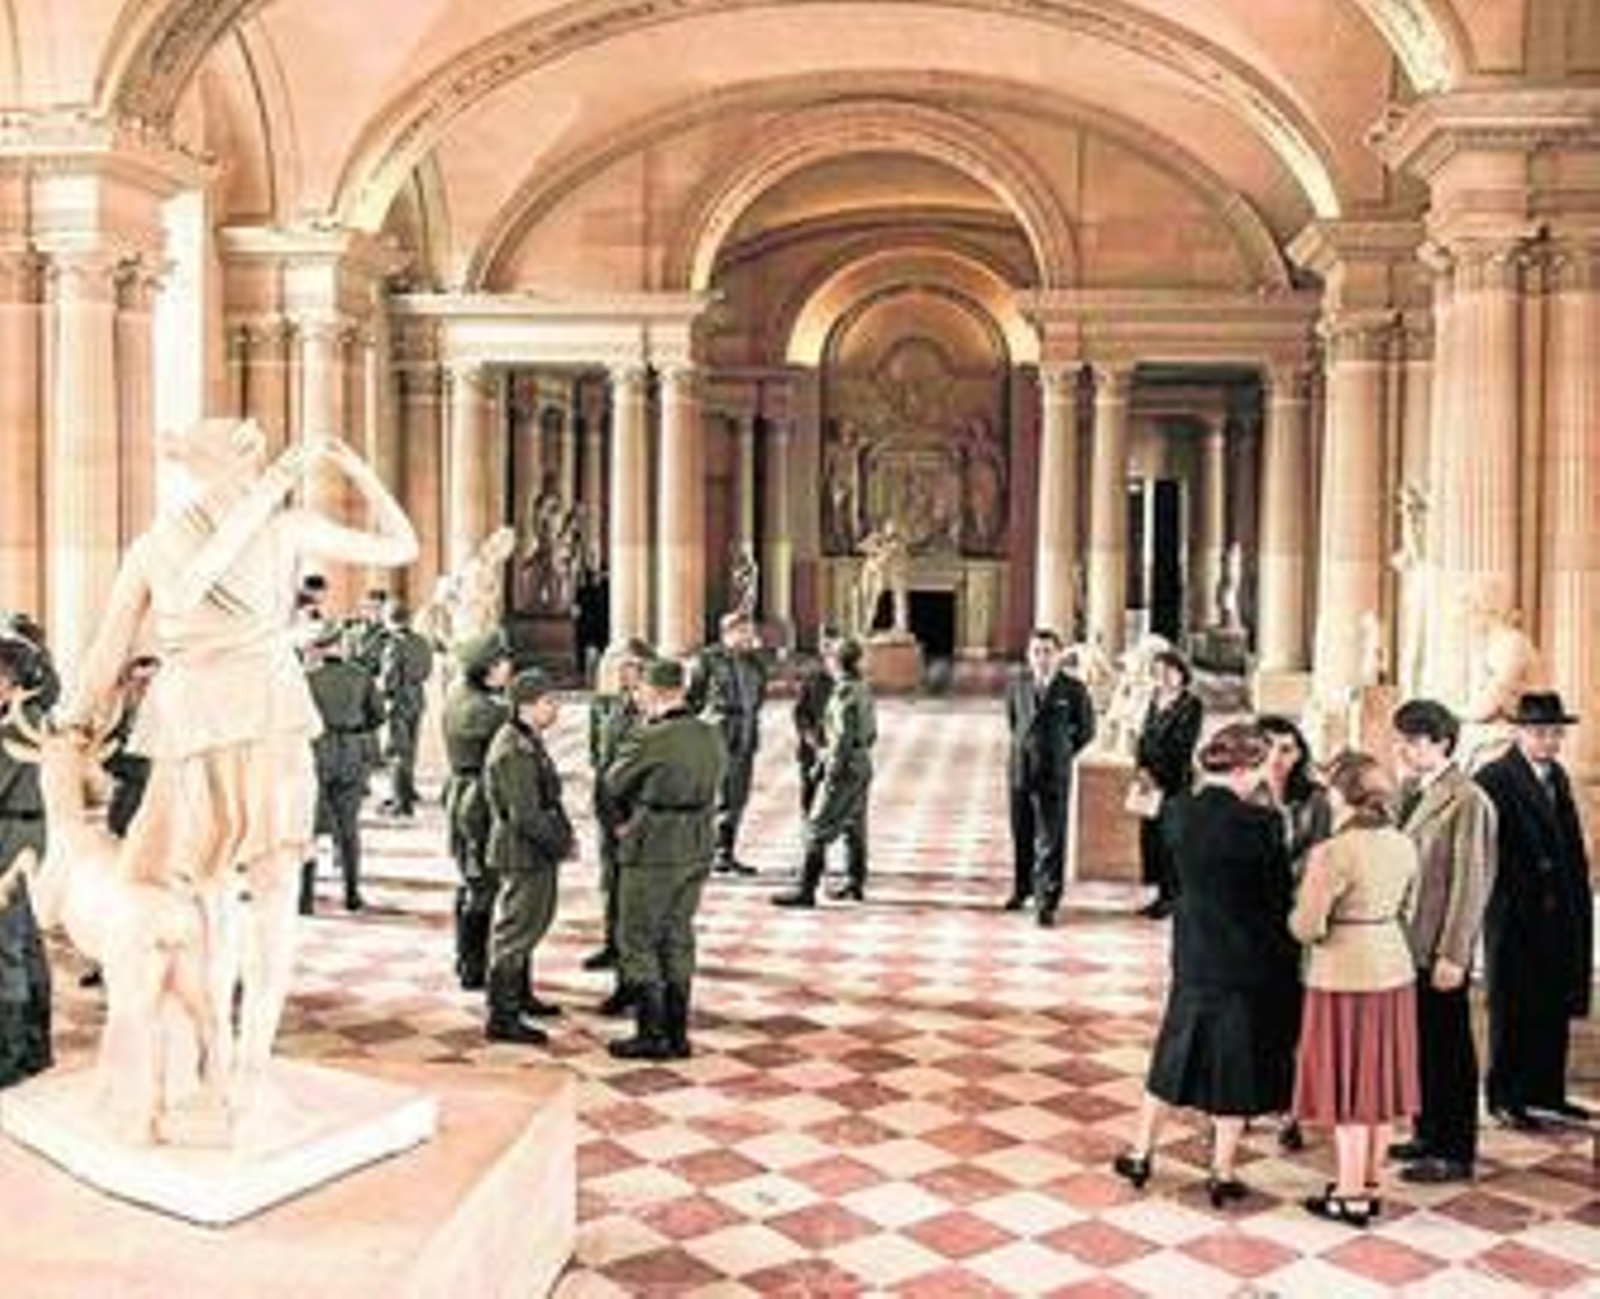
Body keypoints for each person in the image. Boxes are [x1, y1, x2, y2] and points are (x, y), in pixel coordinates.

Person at [68, 419, 417, 1097]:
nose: (258, 466)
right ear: (219, 465)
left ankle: (249, 1056)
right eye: (247, 455)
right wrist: (72, 723)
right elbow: (116, 640)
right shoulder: (167, 545)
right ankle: (221, 1053)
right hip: (209, 719)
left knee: (262, 894)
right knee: (214, 901)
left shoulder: (278, 529)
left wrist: (356, 470)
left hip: (258, 714)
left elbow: (403, 547)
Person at [1112, 724, 1297, 1207]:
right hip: (1248, 958)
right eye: (1263, 765)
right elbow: (1278, 897)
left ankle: (1140, 1152)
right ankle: (1221, 1171)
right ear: (1246, 767)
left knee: (1173, 1052)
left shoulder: (1177, 812)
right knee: (1235, 1062)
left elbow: (1172, 879)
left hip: (1194, 948)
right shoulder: (1262, 823)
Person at [1291, 753, 1421, 1227]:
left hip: (1343, 974)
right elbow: (1409, 908)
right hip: (1393, 967)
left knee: (1347, 1088)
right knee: (1378, 1086)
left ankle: (1348, 1196)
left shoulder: (1333, 851)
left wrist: (1299, 916)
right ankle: (1369, 1183)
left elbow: (1306, 926)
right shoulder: (1404, 843)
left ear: (1342, 795)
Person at [1386, 699, 1496, 1184]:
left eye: (1413, 741)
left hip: (1439, 949)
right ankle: (1426, 1133)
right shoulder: (1411, 790)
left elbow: (1472, 882)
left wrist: (1455, 953)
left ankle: (1454, 1150)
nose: (1403, 749)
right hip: (1407, 946)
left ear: (1443, 743)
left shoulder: (1468, 800)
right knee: (1422, 1047)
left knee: (1449, 1052)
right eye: (1401, 740)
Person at [1474, 692, 1594, 1130]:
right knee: (1513, 1005)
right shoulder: (1494, 777)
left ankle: (1547, 1092)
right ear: (1519, 732)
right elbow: (1484, 847)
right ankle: (1505, 1097)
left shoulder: (1556, 775)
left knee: (1552, 1001)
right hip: (1514, 910)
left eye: (1556, 733)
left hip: (1558, 909)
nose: (1549, 740)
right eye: (1540, 732)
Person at [601, 657, 727, 1060]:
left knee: (638, 936)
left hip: (655, 844)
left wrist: (623, 825)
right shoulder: (711, 733)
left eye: (641, 690)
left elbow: (613, 782)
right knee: (678, 934)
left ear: (654, 692)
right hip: (698, 841)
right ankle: (677, 1034)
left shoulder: (650, 737)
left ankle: (652, 1035)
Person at [483, 669, 575, 1045]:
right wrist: (560, 844)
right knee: (515, 931)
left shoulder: (527, 739)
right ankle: (502, 1016)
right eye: (548, 702)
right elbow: (525, 815)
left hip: (534, 848)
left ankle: (520, 996)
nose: (555, 709)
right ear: (525, 706)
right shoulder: (513, 748)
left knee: (531, 924)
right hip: (522, 850)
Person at [1257, 712, 1332, 1152]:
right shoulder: (1245, 794)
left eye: (1287, 749)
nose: (1277, 758)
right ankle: (1246, 1100)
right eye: (1268, 747)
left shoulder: (1316, 800)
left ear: (1300, 753)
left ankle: (1292, 1109)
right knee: (1252, 1015)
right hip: (1253, 919)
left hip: (1297, 917)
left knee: (1293, 1017)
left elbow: (1322, 855)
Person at [773, 636, 877, 908]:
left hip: (844, 768)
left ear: (836, 662)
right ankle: (855, 883)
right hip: (862, 764)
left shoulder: (843, 693)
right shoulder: (863, 688)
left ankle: (805, 890)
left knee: (816, 828)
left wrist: (828, 768)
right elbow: (872, 733)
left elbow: (840, 739)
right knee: (855, 824)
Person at [1005, 627, 1096, 926]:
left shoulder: (1073, 689)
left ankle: (1047, 901)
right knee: (1022, 832)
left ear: (1058, 656)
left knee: (1050, 838)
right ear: (1028, 655)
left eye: (1047, 652)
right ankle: (1022, 889)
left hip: (1053, 772)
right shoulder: (1017, 684)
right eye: (1036, 652)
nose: (1042, 658)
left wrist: (1062, 752)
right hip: (1020, 769)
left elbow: (1086, 730)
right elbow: (1014, 722)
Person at [442, 629, 514, 990]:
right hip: (479, 798)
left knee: (469, 877)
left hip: (459, 791)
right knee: (483, 884)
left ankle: (464, 959)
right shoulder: (491, 711)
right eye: (503, 662)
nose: (509, 667)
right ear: (487, 669)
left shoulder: (456, 695)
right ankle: (474, 967)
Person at [586, 637, 654, 1010]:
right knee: (610, 881)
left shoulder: (651, 711)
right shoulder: (606, 705)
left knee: (633, 892)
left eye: (632, 666)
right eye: (621, 665)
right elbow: (597, 753)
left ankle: (633, 970)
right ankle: (612, 945)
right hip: (608, 805)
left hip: (633, 810)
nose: (625, 672)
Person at [302, 623, 385, 914]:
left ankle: (305, 898)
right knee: (349, 827)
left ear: (319, 648)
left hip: (316, 752)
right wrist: (355, 727)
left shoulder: (306, 679)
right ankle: (351, 894)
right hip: (350, 752)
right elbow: (378, 716)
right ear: (341, 645)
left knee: (308, 829)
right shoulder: (360, 676)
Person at [0, 637, 51, 1089]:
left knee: (7, 947)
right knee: (26, 943)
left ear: (13, 681)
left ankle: (10, 1056)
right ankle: (35, 1048)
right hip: (23, 833)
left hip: (14, 838)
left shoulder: (23, 724)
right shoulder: (26, 718)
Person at [690, 611, 767, 876]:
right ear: (728, 633)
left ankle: (726, 852)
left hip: (745, 734)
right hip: (718, 734)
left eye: (750, 631)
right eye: (744, 631)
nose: (749, 636)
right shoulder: (708, 659)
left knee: (737, 796)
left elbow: (759, 696)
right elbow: (694, 697)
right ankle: (704, 852)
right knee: (715, 795)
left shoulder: (754, 662)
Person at [1133, 649, 1204, 919]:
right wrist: (1141, 768)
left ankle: (1172, 897)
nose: (1163, 677)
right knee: (1152, 839)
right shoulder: (1154, 699)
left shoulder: (1191, 705)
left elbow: (1182, 746)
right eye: (1158, 671)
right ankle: (1162, 895)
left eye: (1168, 671)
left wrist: (1156, 774)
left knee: (1170, 840)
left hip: (1174, 782)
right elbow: (1143, 737)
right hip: (1149, 782)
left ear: (1181, 673)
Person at [378, 599, 435, 817]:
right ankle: (408, 791)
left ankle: (400, 802)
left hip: (398, 701)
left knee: (397, 752)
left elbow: (389, 678)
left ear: (389, 618)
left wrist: (382, 692)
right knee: (411, 749)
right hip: (417, 698)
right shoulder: (421, 641)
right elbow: (427, 671)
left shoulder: (394, 644)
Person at [102, 654, 161, 839]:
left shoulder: (160, 709)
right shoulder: (115, 707)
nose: (143, 687)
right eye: (139, 681)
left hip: (144, 758)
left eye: (148, 682)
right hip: (119, 754)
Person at [792, 625, 840, 816]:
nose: (828, 649)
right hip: (812, 743)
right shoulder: (811, 675)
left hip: (838, 744)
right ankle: (806, 821)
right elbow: (800, 711)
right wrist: (808, 735)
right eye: (824, 644)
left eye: (832, 644)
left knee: (836, 791)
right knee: (809, 787)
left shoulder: (847, 677)